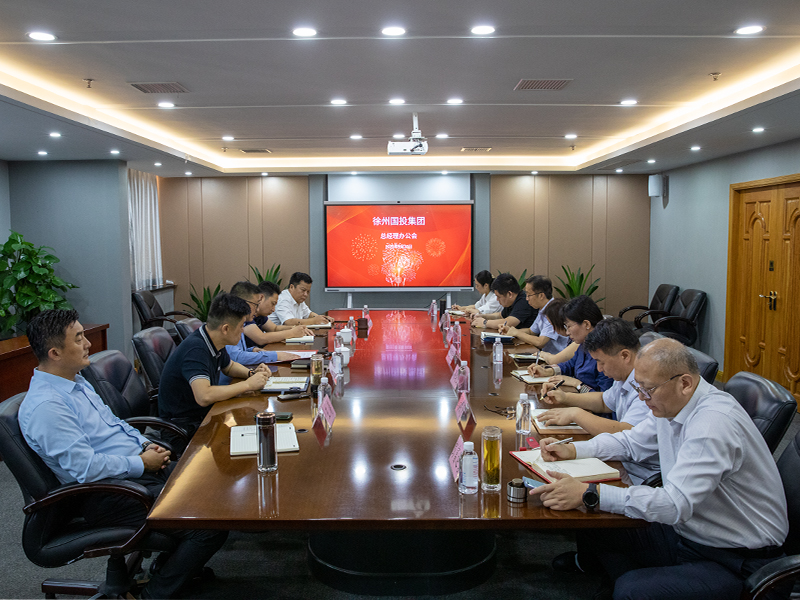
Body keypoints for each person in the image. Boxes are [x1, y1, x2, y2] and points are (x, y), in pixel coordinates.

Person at [530, 338, 789, 600]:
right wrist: (574, 450)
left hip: (738, 559)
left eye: (648, 389)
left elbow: (676, 504)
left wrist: (590, 493)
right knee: (599, 524)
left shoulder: (712, 425)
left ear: (684, 383)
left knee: (632, 590)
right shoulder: (672, 403)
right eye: (639, 388)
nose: (642, 398)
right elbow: (631, 442)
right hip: (690, 534)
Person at [18, 309, 228, 599]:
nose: (88, 344)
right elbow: (86, 469)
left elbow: (115, 425)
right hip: (106, 493)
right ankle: (153, 595)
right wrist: (141, 463)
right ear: (55, 353)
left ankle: (168, 568)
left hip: (130, 473)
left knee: (212, 490)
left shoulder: (75, 382)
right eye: (78, 339)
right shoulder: (48, 407)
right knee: (209, 524)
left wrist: (144, 445)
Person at [535, 317, 658, 483]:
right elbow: (603, 401)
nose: (599, 369)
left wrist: (576, 414)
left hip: (641, 475)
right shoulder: (625, 376)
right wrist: (565, 397)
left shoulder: (646, 385)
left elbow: (627, 433)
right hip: (624, 463)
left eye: (601, 362)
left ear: (625, 356)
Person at [159, 293, 271, 440]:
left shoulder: (213, 339)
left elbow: (229, 366)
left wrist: (251, 373)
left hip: (204, 417)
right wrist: (248, 385)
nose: (243, 331)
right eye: (241, 326)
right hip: (183, 428)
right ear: (225, 329)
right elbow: (204, 396)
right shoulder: (196, 350)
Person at [220, 281, 301, 384]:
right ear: (243, 303)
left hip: (239, 378)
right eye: (256, 304)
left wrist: (252, 350)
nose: (257, 309)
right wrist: (275, 356)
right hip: (228, 384)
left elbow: (236, 352)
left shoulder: (239, 322)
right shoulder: (229, 324)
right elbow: (236, 357)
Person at [529, 295, 613, 392]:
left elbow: (604, 397)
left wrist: (577, 384)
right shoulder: (583, 344)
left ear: (586, 324)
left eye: (569, 326)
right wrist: (547, 371)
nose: (567, 332)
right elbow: (569, 365)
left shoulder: (606, 351)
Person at [499, 275, 570, 353]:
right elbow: (531, 331)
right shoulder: (542, 309)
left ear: (541, 296)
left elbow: (540, 342)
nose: (527, 299)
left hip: (557, 357)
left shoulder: (553, 311)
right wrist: (511, 331)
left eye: (529, 295)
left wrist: (517, 333)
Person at [243, 280, 314, 347]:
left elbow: (274, 328)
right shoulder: (247, 314)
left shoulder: (260, 315)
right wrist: (292, 333)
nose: (273, 309)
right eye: (273, 304)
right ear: (261, 298)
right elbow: (261, 338)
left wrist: (296, 328)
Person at [471, 272, 536, 330]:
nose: (497, 299)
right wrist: (483, 316)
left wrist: (484, 322)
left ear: (509, 294)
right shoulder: (510, 301)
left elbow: (508, 322)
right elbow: (500, 315)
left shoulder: (524, 301)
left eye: (499, 297)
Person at [268, 272, 332, 326]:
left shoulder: (299, 299)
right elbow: (289, 322)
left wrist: (323, 319)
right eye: (303, 290)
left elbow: (309, 314)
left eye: (308, 291)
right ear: (292, 287)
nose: (306, 294)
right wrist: (314, 321)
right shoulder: (283, 299)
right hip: (275, 335)